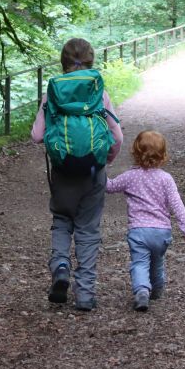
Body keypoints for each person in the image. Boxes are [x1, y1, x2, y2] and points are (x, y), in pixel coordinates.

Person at [31, 38, 123, 311]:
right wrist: (105, 159)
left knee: (62, 221)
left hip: (62, 171)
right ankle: (85, 295)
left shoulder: (52, 94)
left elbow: (36, 136)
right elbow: (116, 136)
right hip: (94, 171)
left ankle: (60, 266)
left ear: (63, 61)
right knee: (88, 228)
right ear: (91, 61)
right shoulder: (99, 93)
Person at [105, 130, 185, 312]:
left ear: (135, 152)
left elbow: (110, 187)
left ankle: (142, 290)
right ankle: (157, 288)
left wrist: (97, 170)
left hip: (139, 230)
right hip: (161, 232)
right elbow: (177, 204)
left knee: (139, 262)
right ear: (163, 155)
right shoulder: (166, 179)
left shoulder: (130, 176)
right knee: (157, 261)